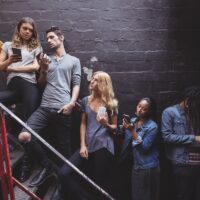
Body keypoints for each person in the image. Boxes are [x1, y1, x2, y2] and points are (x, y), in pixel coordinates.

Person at [18, 26, 81, 187]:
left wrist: (72, 103)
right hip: (45, 107)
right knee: (24, 136)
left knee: (65, 149)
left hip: (63, 108)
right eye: (47, 39)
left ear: (61, 37)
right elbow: (40, 85)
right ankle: (47, 166)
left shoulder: (74, 61)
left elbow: (76, 84)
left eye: (52, 37)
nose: (49, 41)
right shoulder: (45, 59)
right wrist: (44, 70)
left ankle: (65, 184)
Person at [55, 71, 118, 200]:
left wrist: (105, 124)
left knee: (99, 184)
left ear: (102, 84)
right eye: (92, 79)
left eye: (95, 80)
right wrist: (82, 145)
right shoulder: (86, 100)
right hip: (88, 144)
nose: (91, 82)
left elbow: (115, 128)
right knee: (64, 173)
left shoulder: (111, 104)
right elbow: (83, 124)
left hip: (103, 146)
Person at [0, 17, 42, 182]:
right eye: (24, 28)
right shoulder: (9, 46)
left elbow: (35, 67)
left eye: (30, 30)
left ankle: (27, 163)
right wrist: (9, 61)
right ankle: (6, 141)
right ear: (19, 29)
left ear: (33, 32)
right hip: (13, 87)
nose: (27, 31)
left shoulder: (36, 47)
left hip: (29, 86)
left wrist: (11, 67)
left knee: (28, 127)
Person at [161, 86, 200, 200]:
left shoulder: (196, 110)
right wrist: (194, 138)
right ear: (187, 101)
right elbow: (167, 137)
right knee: (184, 196)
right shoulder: (170, 113)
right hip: (183, 164)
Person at [120, 97, 160, 200]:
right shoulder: (133, 121)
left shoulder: (153, 127)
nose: (139, 110)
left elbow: (144, 148)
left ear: (149, 111)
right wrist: (122, 129)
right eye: (139, 106)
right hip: (136, 166)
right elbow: (124, 138)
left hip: (148, 168)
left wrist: (132, 131)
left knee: (146, 197)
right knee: (136, 197)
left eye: (144, 109)